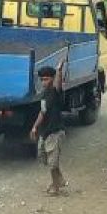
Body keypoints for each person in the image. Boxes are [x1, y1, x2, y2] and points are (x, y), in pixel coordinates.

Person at [30, 63, 67, 196]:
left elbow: (58, 83)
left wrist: (59, 70)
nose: (44, 82)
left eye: (46, 79)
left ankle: (55, 186)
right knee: (44, 157)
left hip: (55, 131)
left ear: (52, 79)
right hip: (45, 131)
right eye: (42, 79)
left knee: (52, 162)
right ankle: (60, 179)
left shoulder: (56, 92)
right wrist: (35, 127)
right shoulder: (44, 94)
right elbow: (43, 112)